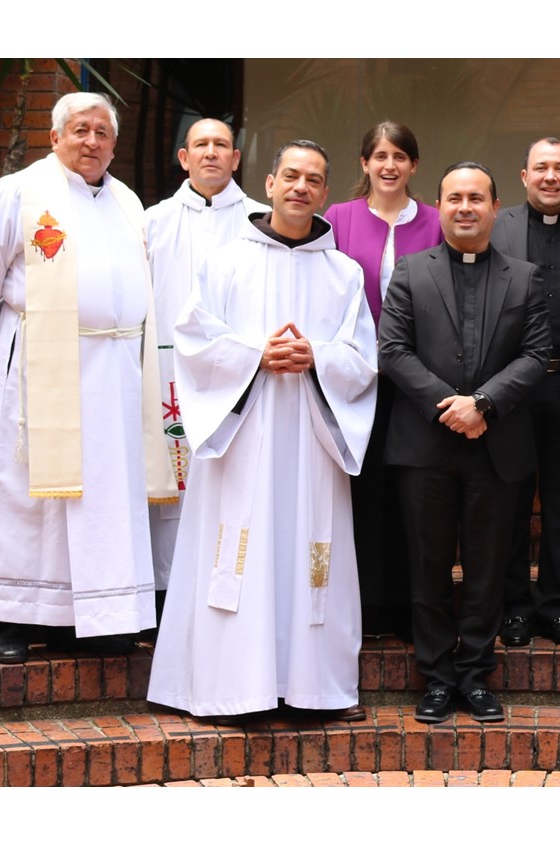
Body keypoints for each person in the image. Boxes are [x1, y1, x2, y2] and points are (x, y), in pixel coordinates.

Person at [144, 139, 378, 724]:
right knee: (237, 547)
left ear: (326, 192)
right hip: (242, 437)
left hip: (311, 439)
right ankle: (231, 689)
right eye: (291, 176)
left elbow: (364, 360)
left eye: (314, 179)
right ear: (269, 183)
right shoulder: (226, 262)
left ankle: (312, 688)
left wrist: (316, 357)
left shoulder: (343, 273)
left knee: (309, 548)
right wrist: (257, 354)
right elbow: (194, 343)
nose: (301, 187)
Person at [0, 92, 169, 664]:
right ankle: (14, 618)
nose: (91, 141)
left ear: (114, 147)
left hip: (116, 369)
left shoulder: (126, 201)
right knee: (31, 494)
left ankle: (95, 617)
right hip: (40, 367)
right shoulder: (19, 191)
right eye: (79, 130)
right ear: (55, 137)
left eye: (102, 133)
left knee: (101, 497)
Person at [377, 161, 550, 724]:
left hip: (497, 446)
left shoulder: (525, 276)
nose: (466, 207)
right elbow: (393, 349)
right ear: (441, 206)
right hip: (425, 446)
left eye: (477, 197)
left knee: (487, 568)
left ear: (496, 208)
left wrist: (485, 405)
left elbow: (536, 355)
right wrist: (450, 407)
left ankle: (475, 674)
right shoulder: (409, 270)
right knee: (427, 569)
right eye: (455, 197)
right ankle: (435, 677)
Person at [323, 121, 440, 640]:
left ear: (414, 165)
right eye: (379, 156)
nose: (389, 166)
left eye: (400, 156)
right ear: (365, 164)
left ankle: (412, 608)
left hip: (418, 380)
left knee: (413, 495)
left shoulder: (436, 222)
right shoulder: (339, 219)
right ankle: (368, 609)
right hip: (357, 379)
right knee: (364, 492)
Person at [142, 118, 269, 590]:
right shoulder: (153, 222)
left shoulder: (261, 221)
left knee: (232, 483)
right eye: (201, 145)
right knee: (170, 481)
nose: (211, 153)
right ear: (184, 157)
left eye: (221, 145)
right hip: (167, 373)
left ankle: (231, 583)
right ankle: (164, 589)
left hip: (240, 372)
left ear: (236, 159)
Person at [490, 137, 560, 649]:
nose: (550, 176)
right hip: (511, 388)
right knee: (510, 501)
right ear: (524, 175)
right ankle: (514, 608)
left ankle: (554, 606)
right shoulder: (497, 226)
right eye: (541, 168)